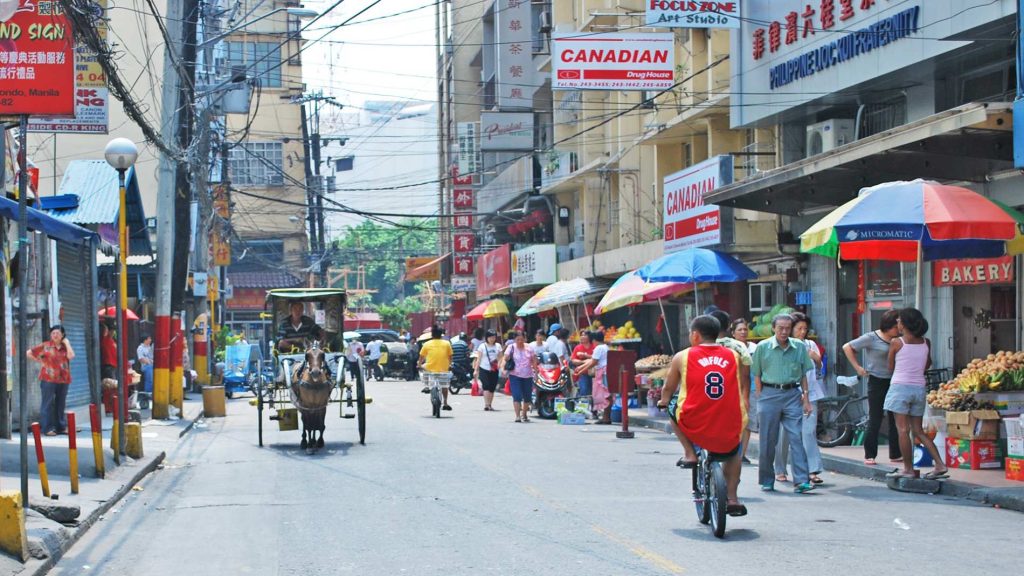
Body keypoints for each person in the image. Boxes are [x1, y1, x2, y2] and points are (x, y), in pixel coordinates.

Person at [657, 316, 747, 516]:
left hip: (694, 420)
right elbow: (739, 385)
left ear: (695, 335)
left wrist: (663, 401)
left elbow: (668, 388)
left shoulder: (683, 356)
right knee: (734, 453)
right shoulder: (733, 355)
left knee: (672, 406)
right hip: (729, 420)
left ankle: (689, 452)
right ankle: (732, 498)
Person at [752, 313, 816, 494]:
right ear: (773, 328)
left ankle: (801, 480)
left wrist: (806, 399)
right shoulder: (763, 347)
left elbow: (804, 374)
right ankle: (766, 479)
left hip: (792, 394)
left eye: (788, 328)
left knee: (796, 437)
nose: (784, 332)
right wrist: (760, 395)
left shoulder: (798, 347)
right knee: (767, 440)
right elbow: (756, 374)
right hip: (769, 394)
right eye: (780, 328)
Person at [885, 308, 948, 480]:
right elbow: (928, 363)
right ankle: (940, 464)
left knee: (903, 431)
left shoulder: (897, 342)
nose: (897, 323)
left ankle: (908, 469)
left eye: (898, 321)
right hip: (919, 388)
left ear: (904, 324)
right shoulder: (925, 342)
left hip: (900, 388)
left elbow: (890, 367)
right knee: (918, 431)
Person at [843, 309, 902, 465]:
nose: (899, 329)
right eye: (896, 326)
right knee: (875, 417)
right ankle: (870, 454)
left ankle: (895, 453)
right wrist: (858, 368)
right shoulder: (871, 337)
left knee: (895, 418)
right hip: (876, 380)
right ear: (889, 325)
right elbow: (847, 347)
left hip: (895, 380)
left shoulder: (899, 340)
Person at [773, 312, 825, 485]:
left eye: (805, 328)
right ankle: (780, 469)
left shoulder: (810, 345)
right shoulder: (781, 347)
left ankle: (812, 469)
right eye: (798, 328)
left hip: (810, 394)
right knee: (784, 434)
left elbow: (819, 371)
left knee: (808, 432)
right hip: (787, 395)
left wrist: (817, 359)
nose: (802, 332)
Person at [709, 310, 752, 457]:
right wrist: (746, 397)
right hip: (734, 395)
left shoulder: (700, 346)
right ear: (728, 327)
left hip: (708, 396)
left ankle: (696, 452)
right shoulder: (739, 346)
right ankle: (737, 456)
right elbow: (746, 375)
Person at [26, 325, 75, 436]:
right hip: (48, 379)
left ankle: (61, 427)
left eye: (58, 333)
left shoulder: (65, 347)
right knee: (47, 404)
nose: (55, 335)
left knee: (60, 404)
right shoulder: (45, 346)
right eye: (53, 333)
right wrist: (40, 361)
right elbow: (28, 353)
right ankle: (47, 428)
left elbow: (71, 356)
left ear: (63, 335)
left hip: (64, 379)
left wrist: (67, 343)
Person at [499, 330, 537, 422]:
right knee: (517, 395)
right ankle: (517, 416)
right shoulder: (511, 347)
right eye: (518, 339)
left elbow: (534, 360)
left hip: (528, 376)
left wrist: (535, 371)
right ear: (515, 340)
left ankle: (524, 413)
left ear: (524, 339)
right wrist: (503, 368)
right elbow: (505, 358)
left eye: (521, 339)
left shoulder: (529, 348)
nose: (520, 341)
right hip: (515, 375)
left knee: (527, 397)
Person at [574, 331, 611, 424]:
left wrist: (581, 371)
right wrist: (581, 368)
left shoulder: (598, 348)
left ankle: (606, 418)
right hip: (606, 371)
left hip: (603, 373)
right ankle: (606, 417)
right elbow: (591, 360)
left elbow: (593, 362)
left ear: (594, 340)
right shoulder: (605, 347)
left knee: (604, 395)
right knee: (607, 394)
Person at [419, 326, 454, 411]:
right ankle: (445, 403)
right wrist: (450, 364)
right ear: (441, 335)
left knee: (423, 368)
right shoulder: (447, 343)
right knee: (444, 386)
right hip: (443, 368)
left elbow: (421, 357)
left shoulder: (427, 344)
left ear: (432, 335)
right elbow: (450, 356)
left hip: (430, 368)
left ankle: (427, 385)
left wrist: (419, 364)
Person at [473, 329, 502, 411]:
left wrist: (500, 366)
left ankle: (490, 404)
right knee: (486, 386)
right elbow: (478, 359)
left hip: (494, 369)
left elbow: (500, 357)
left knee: (492, 388)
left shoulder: (498, 346)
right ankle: (486, 404)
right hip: (484, 369)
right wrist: (476, 370)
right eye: (490, 337)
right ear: (487, 337)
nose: (492, 339)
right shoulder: (482, 346)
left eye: (494, 337)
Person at [570, 331, 595, 398]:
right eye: (581, 335)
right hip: (583, 373)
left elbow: (596, 358)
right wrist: (585, 362)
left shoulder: (594, 346)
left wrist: (585, 355)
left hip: (594, 374)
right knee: (584, 391)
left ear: (589, 337)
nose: (582, 337)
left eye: (584, 335)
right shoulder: (578, 348)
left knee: (594, 393)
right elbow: (573, 360)